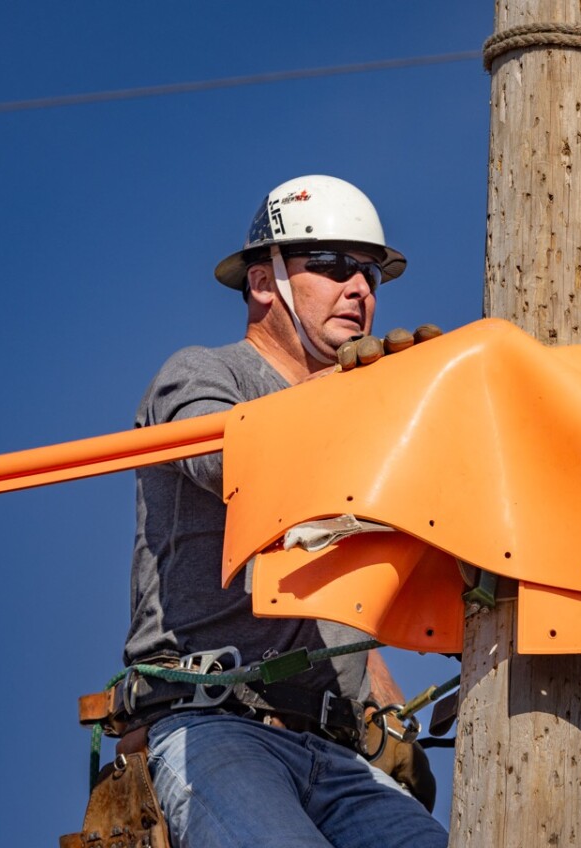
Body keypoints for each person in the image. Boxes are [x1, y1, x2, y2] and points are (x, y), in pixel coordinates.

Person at [119, 175, 448, 847]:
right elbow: (236, 470)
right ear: (264, 281)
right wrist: (346, 402)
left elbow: (352, 566)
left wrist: (379, 687)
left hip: (336, 752)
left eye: (370, 274)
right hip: (214, 724)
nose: (360, 288)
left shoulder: (357, 406)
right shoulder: (202, 374)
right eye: (331, 265)